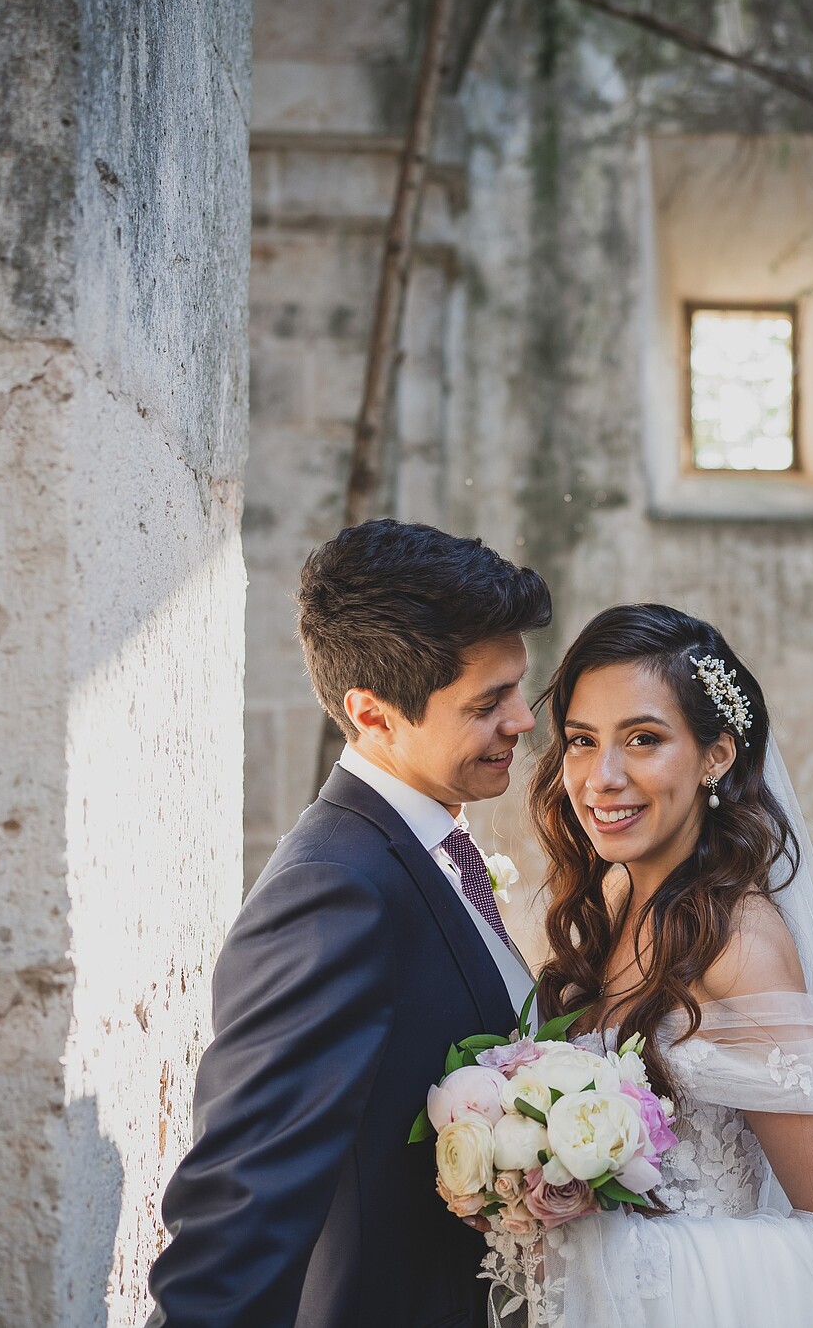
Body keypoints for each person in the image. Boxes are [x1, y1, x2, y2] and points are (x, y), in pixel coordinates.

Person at [147, 520, 550, 1328]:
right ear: (373, 714)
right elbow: (244, 1201)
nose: (523, 721)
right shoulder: (334, 891)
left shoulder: (430, 847)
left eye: (518, 688)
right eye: (487, 702)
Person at [523, 602, 813, 1327]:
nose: (601, 777)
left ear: (716, 755)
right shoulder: (608, 908)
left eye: (642, 739)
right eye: (581, 740)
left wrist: (598, 1255)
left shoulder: (738, 946)